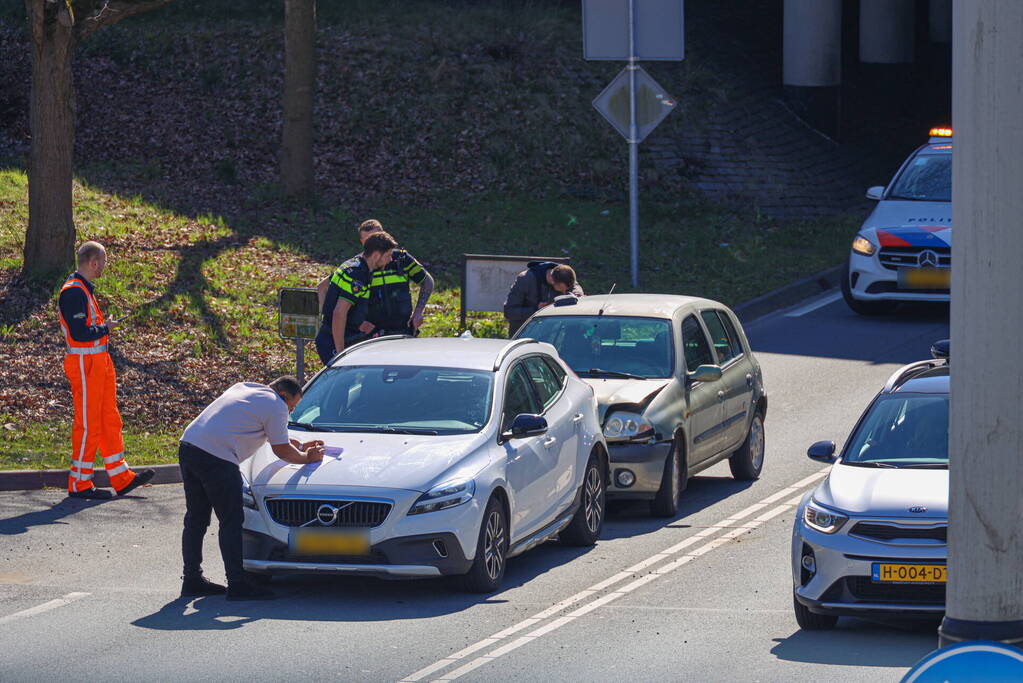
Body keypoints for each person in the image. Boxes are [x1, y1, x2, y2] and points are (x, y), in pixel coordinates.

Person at [177, 376, 325, 600]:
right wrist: (307, 457)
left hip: (190, 446)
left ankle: (191, 579)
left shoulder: (245, 389)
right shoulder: (276, 404)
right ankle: (238, 584)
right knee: (231, 520)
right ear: (284, 396)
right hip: (218, 457)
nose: (290, 412)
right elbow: (282, 450)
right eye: (292, 407)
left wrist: (299, 445)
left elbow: (263, 430)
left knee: (196, 518)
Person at [57, 241, 154, 499]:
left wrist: (104, 329)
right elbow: (79, 334)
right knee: (88, 424)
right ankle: (79, 483)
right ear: (94, 263)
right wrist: (106, 328)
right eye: (104, 261)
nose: (105, 266)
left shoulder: (83, 290)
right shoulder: (73, 292)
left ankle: (122, 478)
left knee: (109, 419)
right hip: (85, 364)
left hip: (97, 363)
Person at [317, 219, 434, 339]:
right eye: (369, 240)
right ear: (362, 242)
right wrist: (347, 324)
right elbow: (323, 287)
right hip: (371, 336)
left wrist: (418, 312)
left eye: (378, 237)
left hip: (404, 331)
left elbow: (427, 281)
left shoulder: (402, 259)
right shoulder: (357, 268)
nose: (376, 243)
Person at [313, 231, 397, 366]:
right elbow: (339, 313)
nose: (390, 259)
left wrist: (356, 320)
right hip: (334, 343)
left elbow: (322, 287)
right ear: (376, 255)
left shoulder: (352, 265)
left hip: (332, 336)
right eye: (388, 255)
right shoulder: (359, 275)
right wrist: (340, 353)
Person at [503, 262, 584, 336]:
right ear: (553, 281)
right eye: (562, 290)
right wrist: (536, 310)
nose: (564, 292)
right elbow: (509, 312)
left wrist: (578, 294)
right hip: (522, 333)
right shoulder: (525, 279)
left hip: (546, 336)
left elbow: (575, 286)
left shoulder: (563, 274)